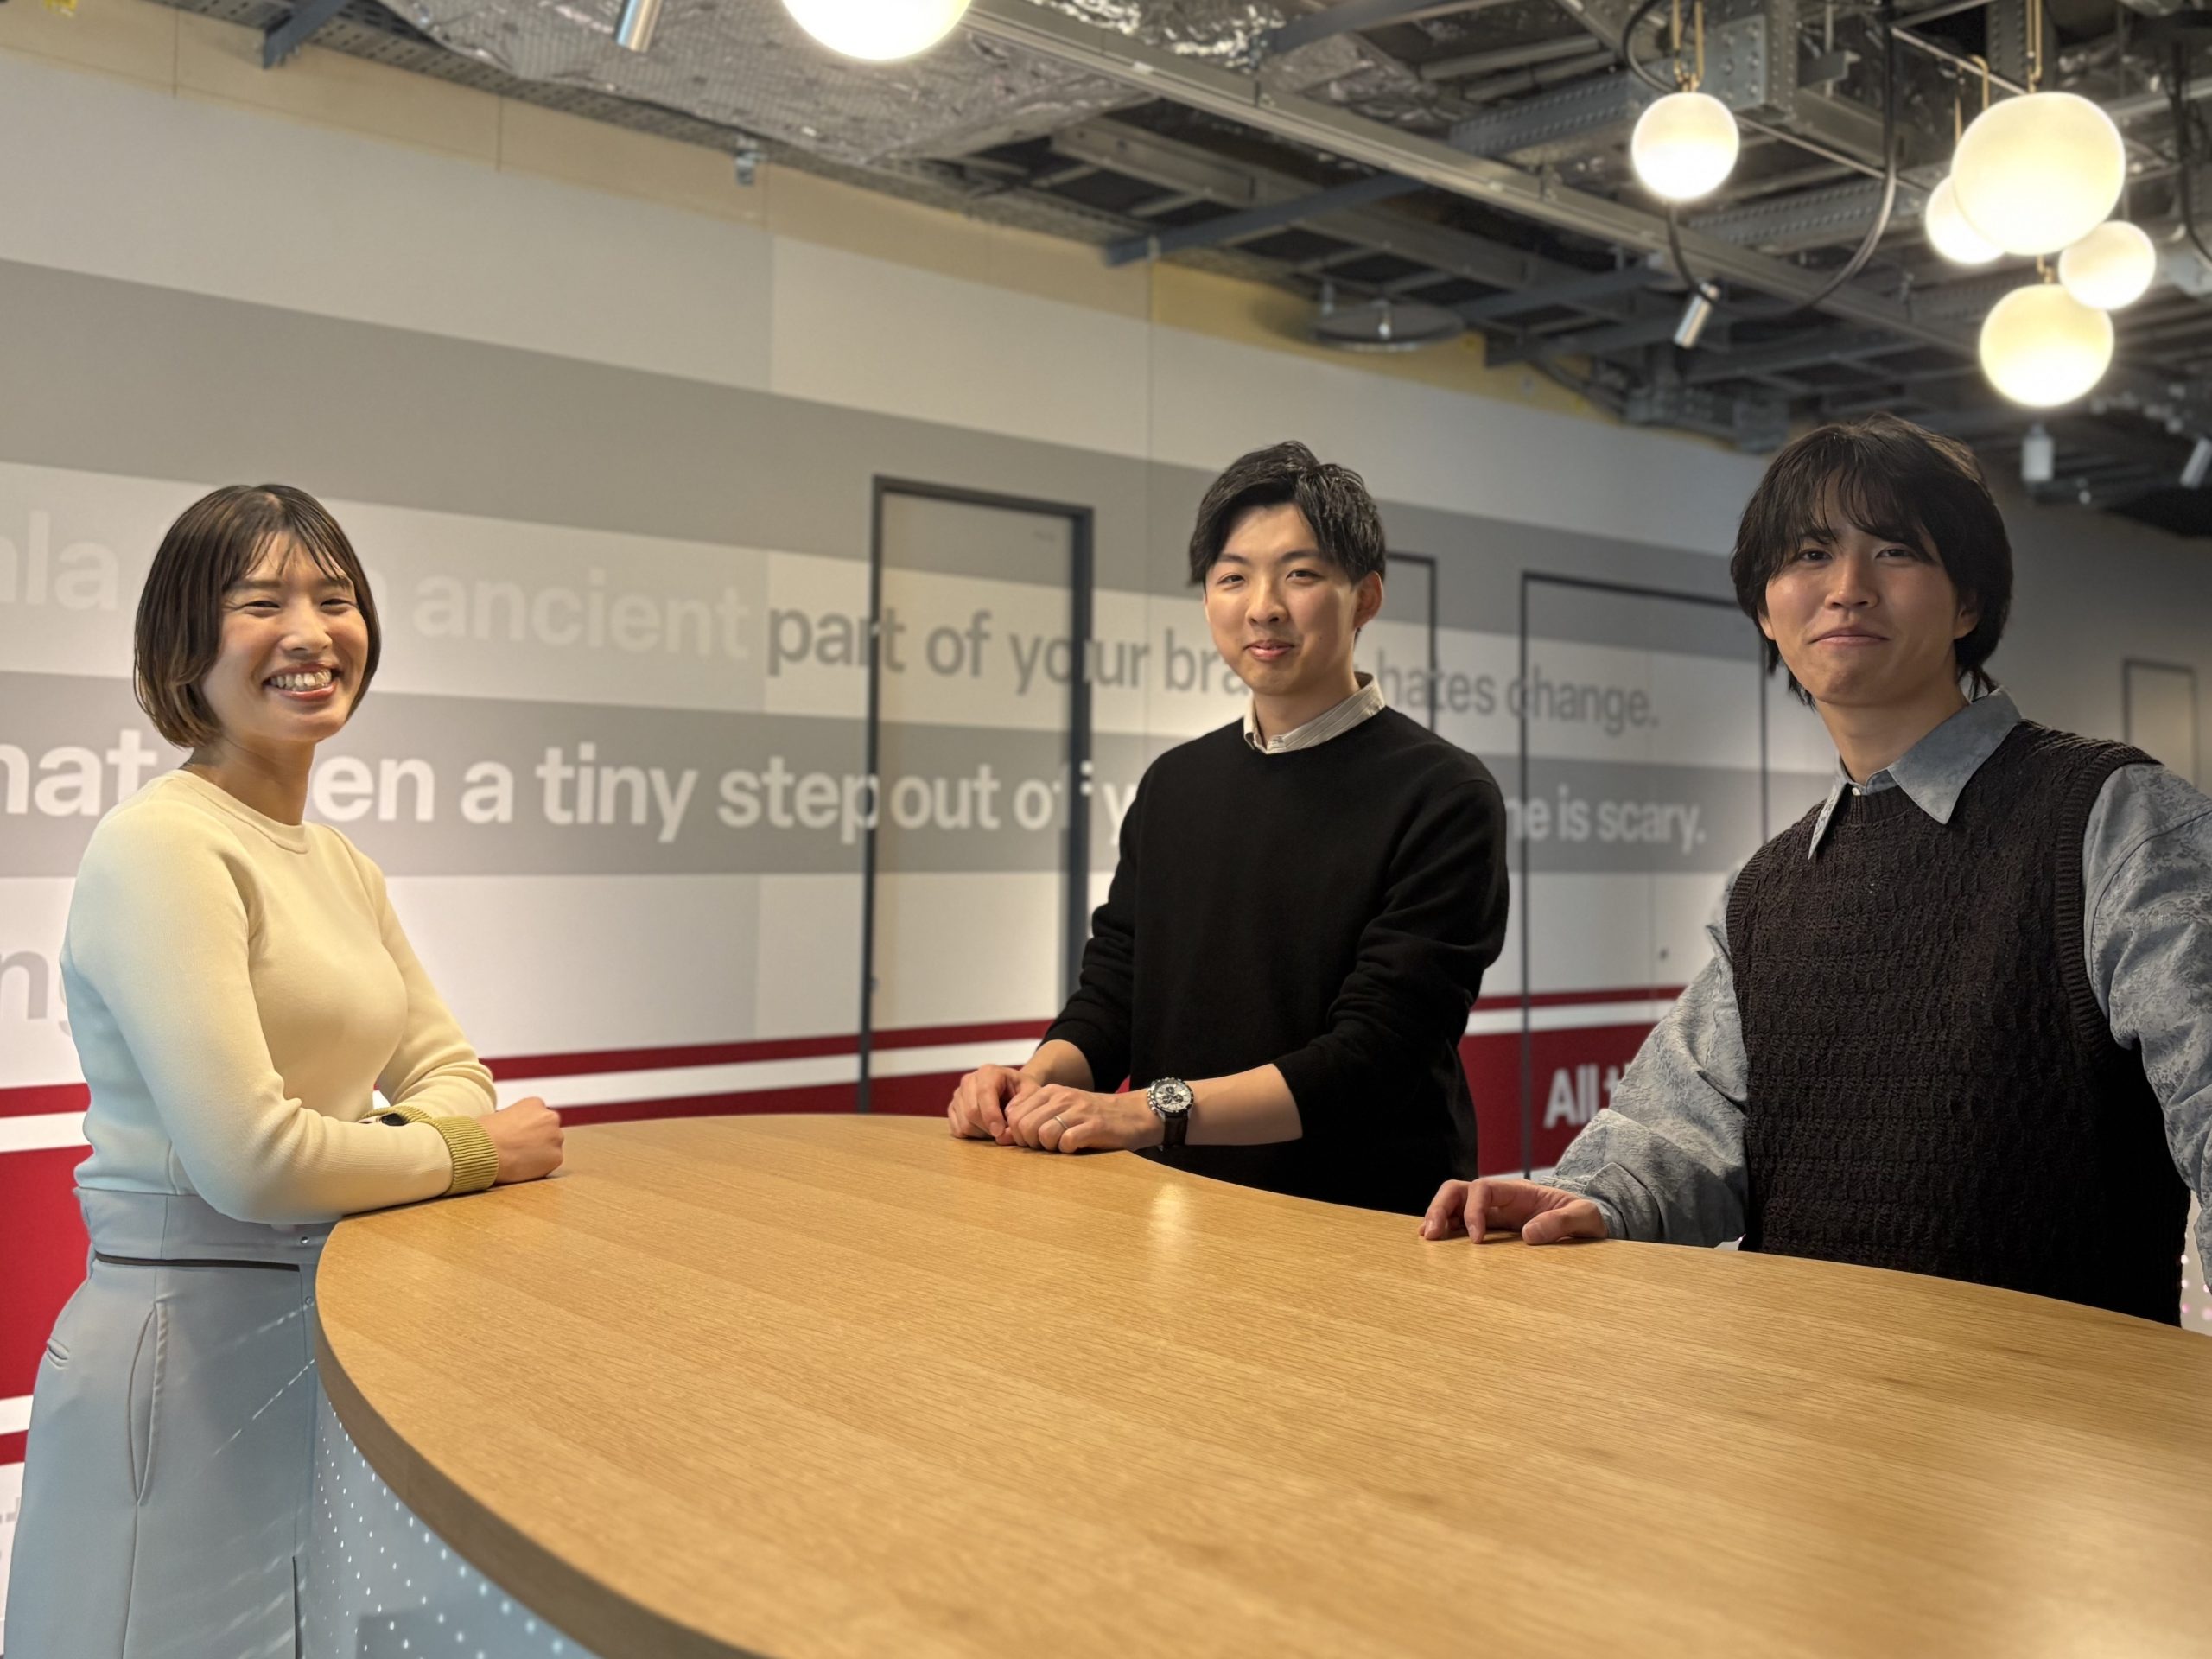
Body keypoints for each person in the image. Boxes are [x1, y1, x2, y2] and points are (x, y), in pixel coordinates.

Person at [1421, 414, 2211, 1324]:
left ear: (1967, 603)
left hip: (2052, 1405)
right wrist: (1588, 1198)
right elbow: (1686, 1122)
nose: (1847, 590)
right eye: (1809, 554)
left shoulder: (2112, 818)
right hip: (1803, 1390)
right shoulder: (1771, 887)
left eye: (1894, 551)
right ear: (1766, 608)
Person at [4, 485, 566, 1658]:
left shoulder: (342, 864)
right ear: (185, 644)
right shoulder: (163, 844)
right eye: (262, 603)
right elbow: (252, 1162)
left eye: (335, 598)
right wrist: (470, 1152)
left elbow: (447, 1064)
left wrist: (389, 1142)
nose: (310, 632)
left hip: (327, 1338)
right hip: (183, 1357)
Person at [946, 442, 1510, 1214]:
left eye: (1300, 575)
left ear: (1366, 597)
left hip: (1360, 1221)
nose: (1263, 606)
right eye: (1233, 577)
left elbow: (1378, 1054)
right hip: (1174, 1204)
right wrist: (1034, 1081)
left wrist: (1148, 1111)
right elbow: (1116, 989)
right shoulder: (1175, 784)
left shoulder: (1443, 794)